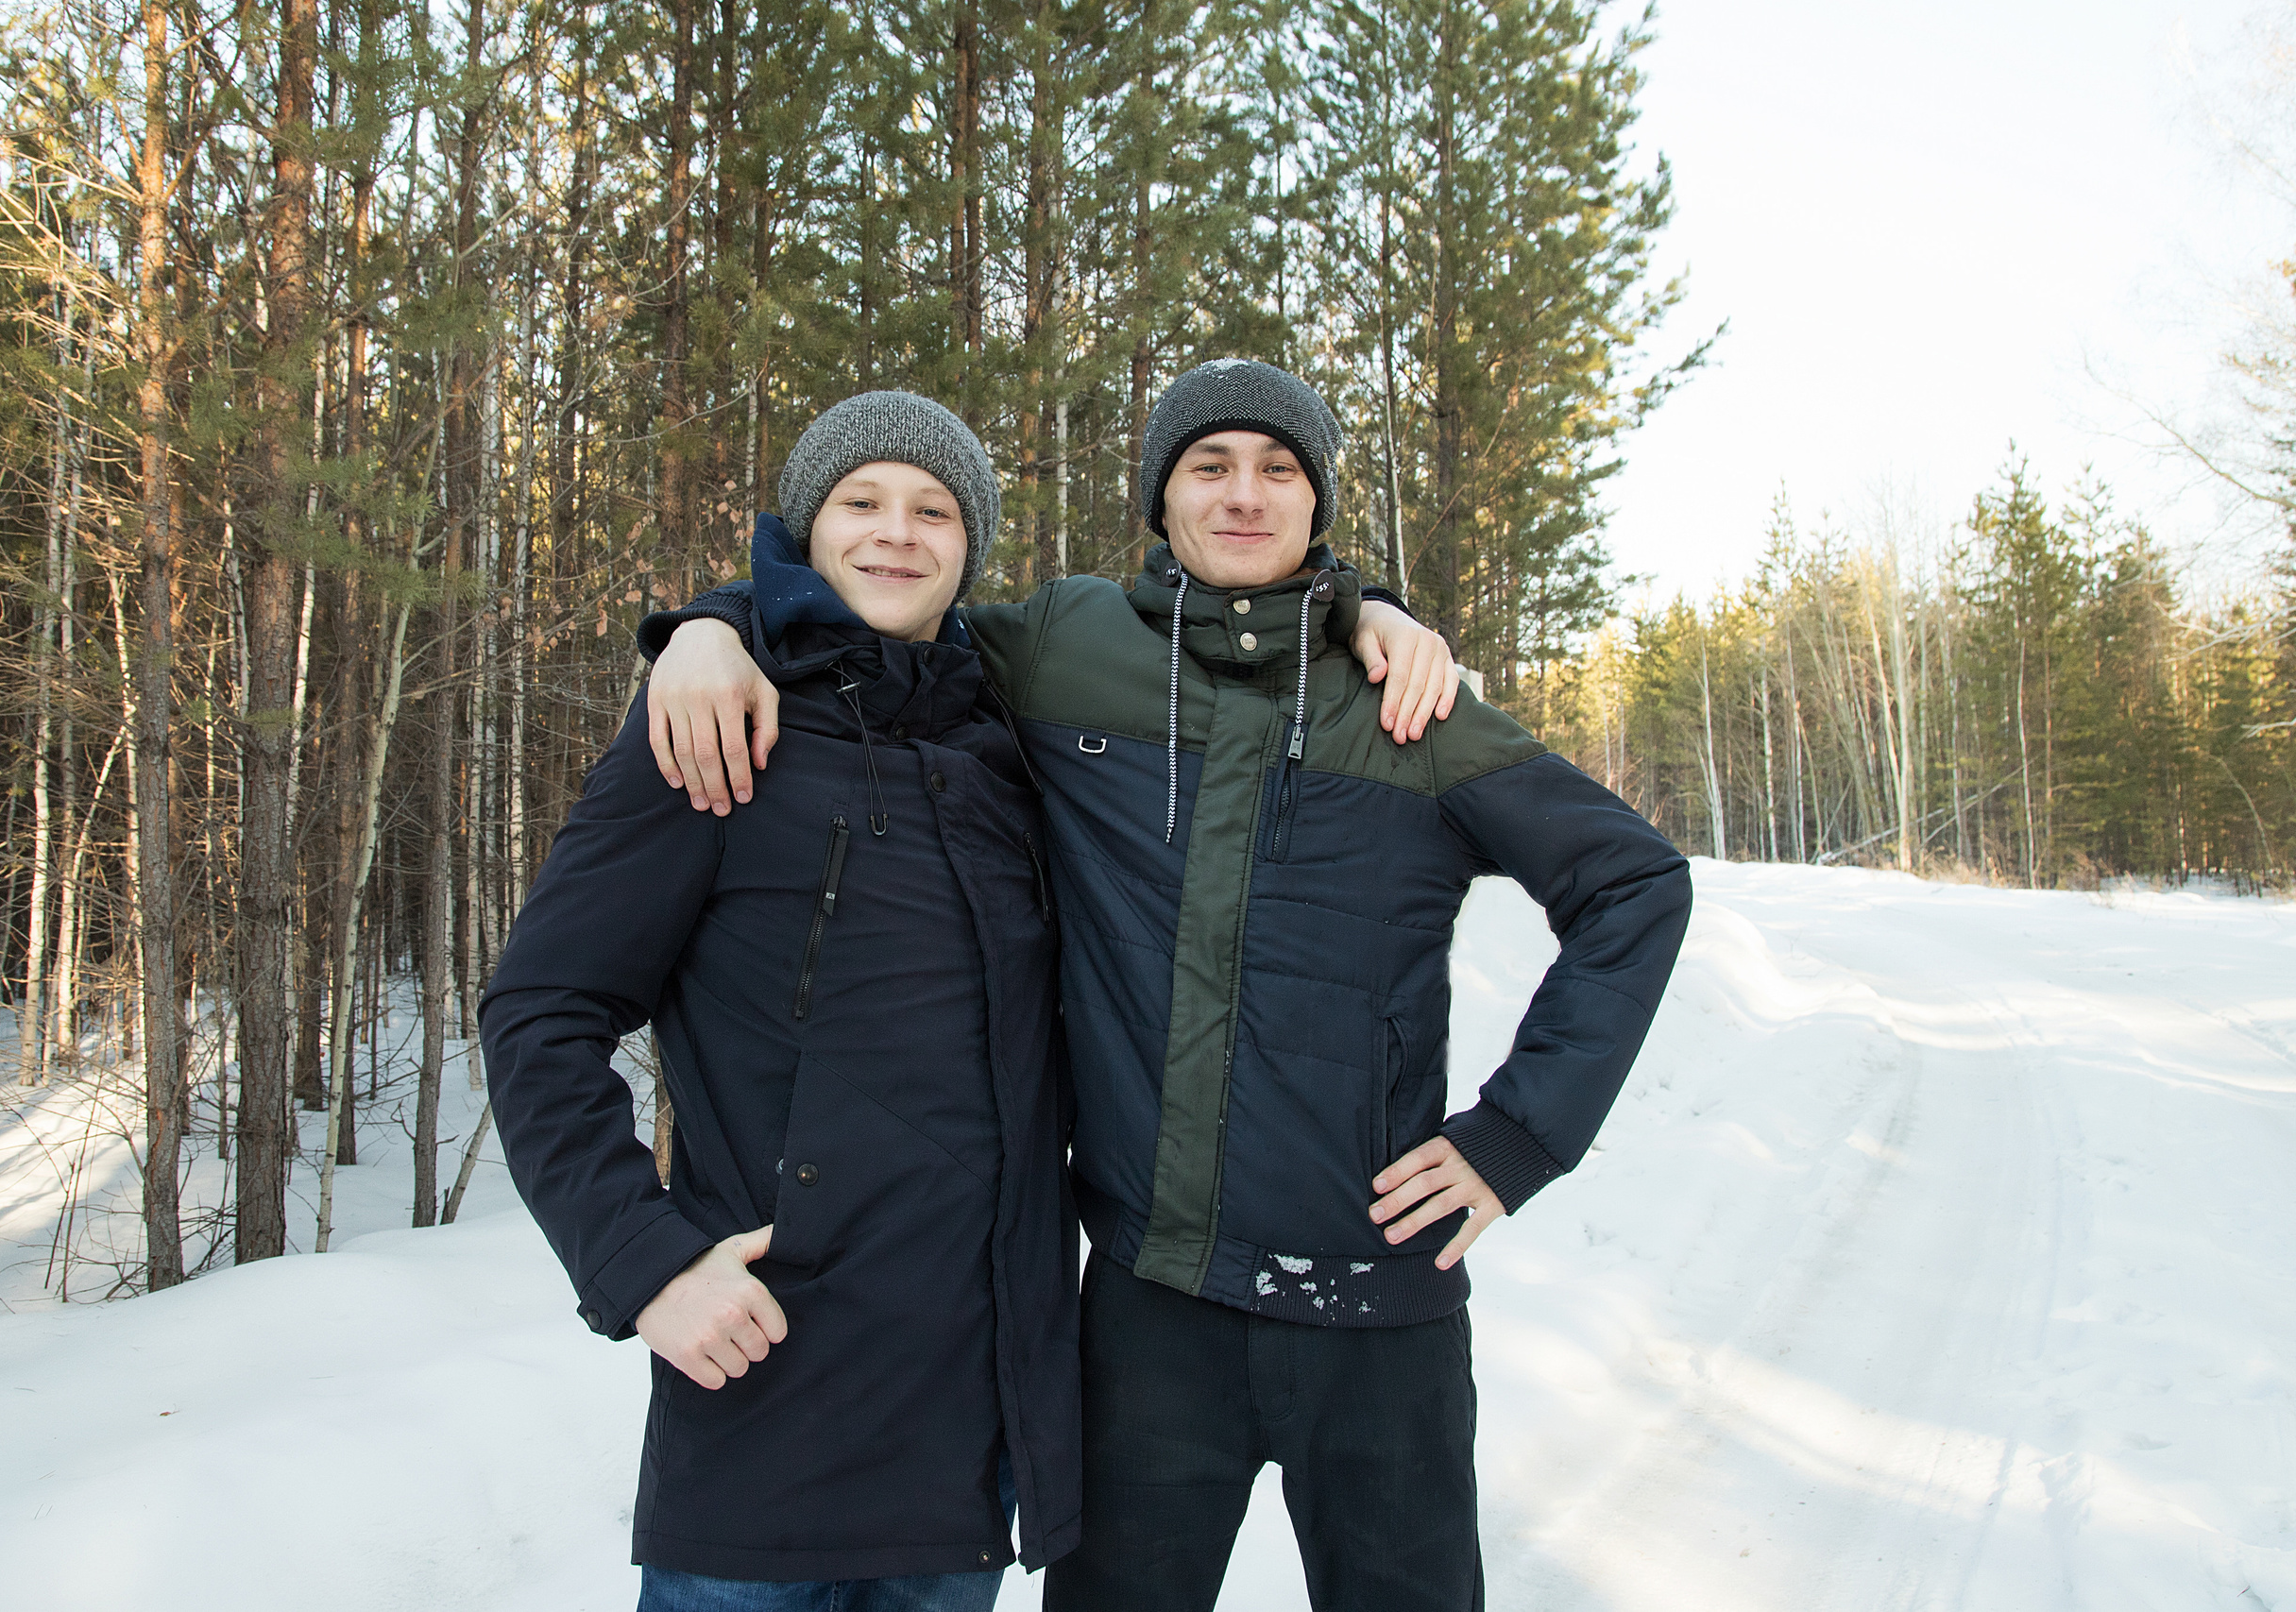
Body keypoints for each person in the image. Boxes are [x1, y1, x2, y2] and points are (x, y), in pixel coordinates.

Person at [640, 359, 1694, 1612]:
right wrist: (708, 623)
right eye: (1211, 466)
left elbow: (1634, 885)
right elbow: (877, 606)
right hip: (1152, 1308)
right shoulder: (1064, 650)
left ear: (1317, 507)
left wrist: (1519, 1132)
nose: (1244, 496)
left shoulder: (1410, 707)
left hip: (1380, 1315)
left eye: (1279, 471)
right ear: (1161, 497)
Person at [481, 392, 1082, 1612]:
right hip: (759, 1404)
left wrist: (1371, 608)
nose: (896, 534)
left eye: (933, 510)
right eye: (860, 502)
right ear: (805, 531)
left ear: (971, 550)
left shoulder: (1017, 752)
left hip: (963, 1437)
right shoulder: (718, 726)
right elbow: (540, 1011)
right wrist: (642, 1264)